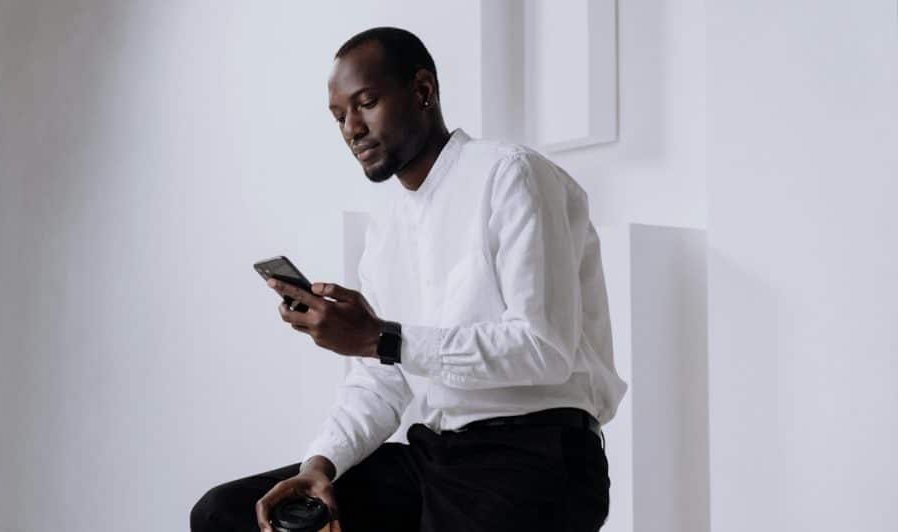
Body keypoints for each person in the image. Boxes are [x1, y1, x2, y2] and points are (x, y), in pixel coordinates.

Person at [191, 26, 627, 532]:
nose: (352, 128)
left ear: (423, 91)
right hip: (434, 457)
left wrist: (381, 337)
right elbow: (382, 381)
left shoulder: (512, 174)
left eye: (366, 103)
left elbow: (542, 347)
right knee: (225, 514)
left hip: (538, 458)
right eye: (339, 117)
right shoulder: (387, 231)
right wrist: (320, 464)